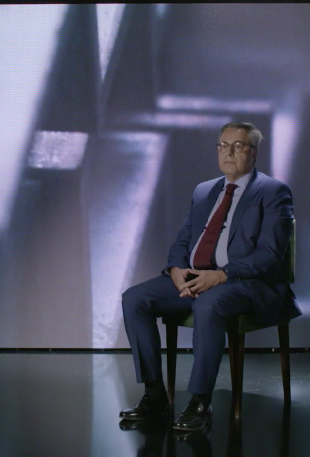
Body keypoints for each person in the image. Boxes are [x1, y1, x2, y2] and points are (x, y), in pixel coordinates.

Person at [120, 121, 300, 431]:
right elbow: (183, 239)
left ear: (254, 153)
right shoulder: (204, 190)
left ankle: (200, 402)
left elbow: (269, 255)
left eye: (238, 146)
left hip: (245, 283)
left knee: (208, 305)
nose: (228, 152)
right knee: (134, 298)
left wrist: (222, 275)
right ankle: (155, 394)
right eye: (223, 146)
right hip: (196, 276)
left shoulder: (273, 192)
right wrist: (176, 269)